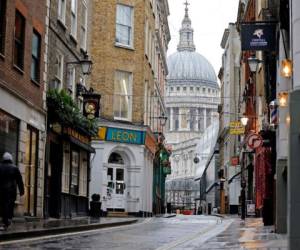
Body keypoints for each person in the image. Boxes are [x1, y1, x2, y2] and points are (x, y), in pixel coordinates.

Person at [0, 152, 24, 230]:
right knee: (10, 205)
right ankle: (8, 220)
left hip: (2, 190)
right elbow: (20, 180)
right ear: (11, 159)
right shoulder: (15, 168)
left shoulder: (0, 167)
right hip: (11, 191)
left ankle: (5, 222)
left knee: (4, 206)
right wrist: (21, 191)